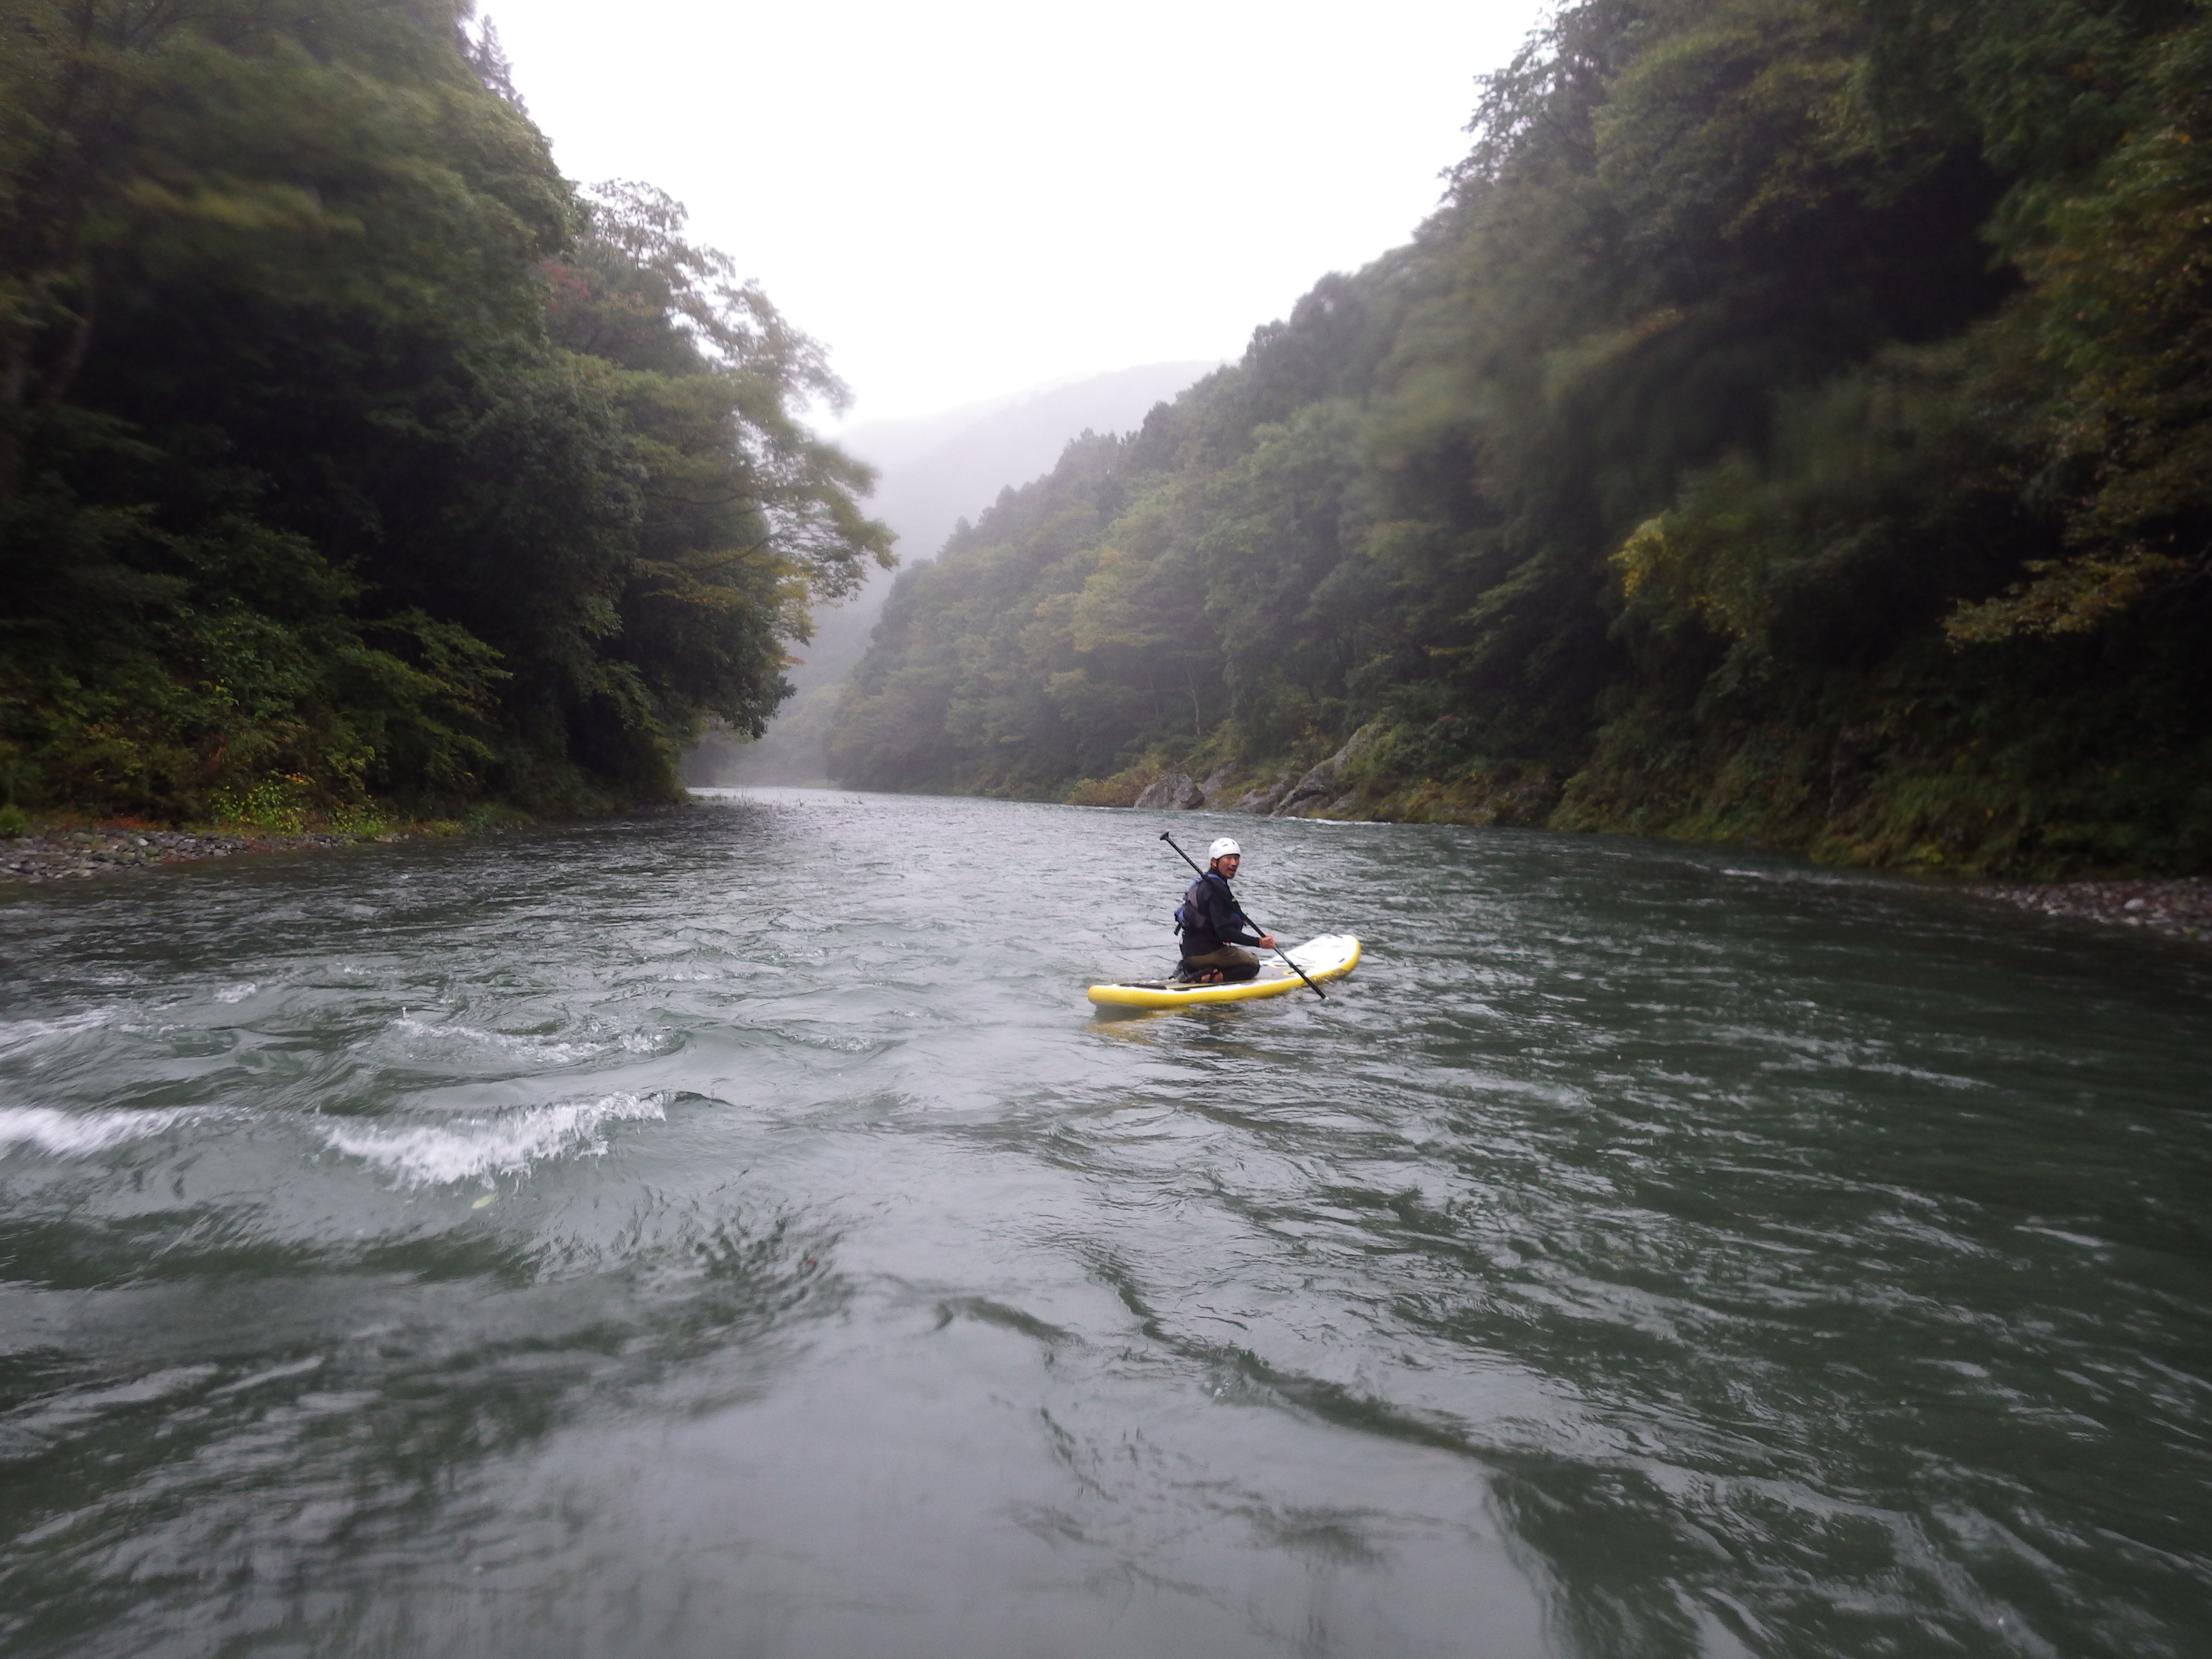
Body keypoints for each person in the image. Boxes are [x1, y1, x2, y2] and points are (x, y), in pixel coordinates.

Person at [1175, 837, 1275, 983]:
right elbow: (1224, 932)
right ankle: (1208, 978)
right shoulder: (1215, 889)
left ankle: (1196, 969)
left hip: (1189, 952)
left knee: (1237, 957)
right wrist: (1259, 942)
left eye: (1236, 858)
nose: (1234, 863)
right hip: (1206, 952)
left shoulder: (1205, 883)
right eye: (1228, 859)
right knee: (1253, 964)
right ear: (1214, 862)